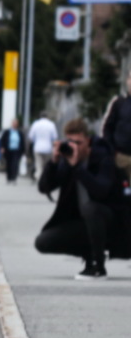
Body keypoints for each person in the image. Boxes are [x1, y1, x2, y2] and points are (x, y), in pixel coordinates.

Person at [35, 118, 130, 279]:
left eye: (78, 142)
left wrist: (78, 168)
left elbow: (101, 191)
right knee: (43, 242)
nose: (74, 147)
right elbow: (44, 188)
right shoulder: (67, 160)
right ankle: (89, 254)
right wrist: (54, 161)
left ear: (88, 140)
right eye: (70, 142)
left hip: (113, 223)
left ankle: (98, 266)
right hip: (83, 224)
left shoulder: (103, 158)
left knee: (91, 209)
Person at [102, 69, 131, 184]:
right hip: (120, 157)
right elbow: (107, 128)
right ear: (127, 81)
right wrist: (111, 151)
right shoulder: (118, 103)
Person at [27, 112, 58, 181]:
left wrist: (36, 140)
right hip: (48, 148)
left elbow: (31, 136)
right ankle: (45, 178)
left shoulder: (36, 124)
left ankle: (39, 178)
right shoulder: (51, 124)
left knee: (38, 165)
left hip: (37, 147)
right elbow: (55, 137)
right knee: (46, 165)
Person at [0, 119, 24, 184]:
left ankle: (14, 178)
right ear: (12, 124)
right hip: (8, 150)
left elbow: (22, 142)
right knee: (9, 164)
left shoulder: (19, 132)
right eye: (14, 123)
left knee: (15, 164)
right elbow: (3, 140)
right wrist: (2, 148)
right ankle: (9, 178)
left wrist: (23, 151)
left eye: (16, 123)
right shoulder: (7, 132)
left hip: (17, 150)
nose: (15, 125)